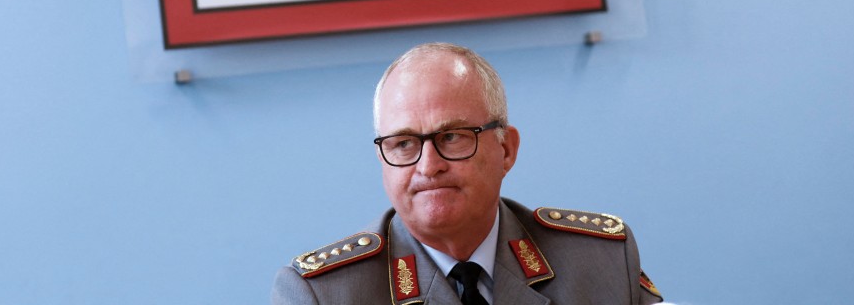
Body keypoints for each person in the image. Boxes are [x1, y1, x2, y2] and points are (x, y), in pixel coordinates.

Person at [271, 42, 663, 304]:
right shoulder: (324, 295)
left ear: (506, 149)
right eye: (404, 144)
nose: (428, 166)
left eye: (453, 136)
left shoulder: (600, 262)